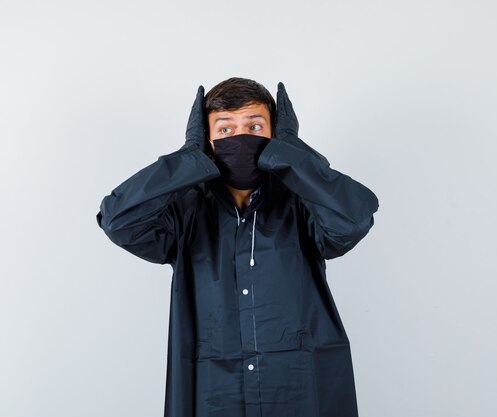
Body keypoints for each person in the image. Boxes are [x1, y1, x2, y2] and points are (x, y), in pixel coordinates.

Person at [96, 77, 379, 417]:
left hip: (297, 390)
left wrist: (293, 153)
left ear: (274, 135)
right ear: (207, 140)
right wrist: (188, 158)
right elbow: (118, 220)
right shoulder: (186, 210)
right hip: (213, 393)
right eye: (225, 130)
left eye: (255, 126)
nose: (241, 139)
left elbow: (355, 218)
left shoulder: (303, 204)